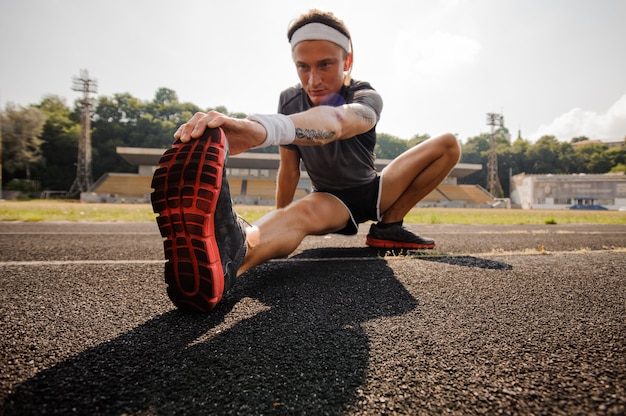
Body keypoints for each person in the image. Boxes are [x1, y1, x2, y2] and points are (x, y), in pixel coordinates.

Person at [151, 9, 461, 312]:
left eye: (325, 65)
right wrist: (275, 224)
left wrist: (262, 129)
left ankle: (390, 225)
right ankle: (226, 263)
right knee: (295, 214)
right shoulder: (289, 99)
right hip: (330, 200)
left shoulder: (365, 95)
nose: (313, 80)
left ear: (347, 61)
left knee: (447, 144)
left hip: (377, 190)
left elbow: (337, 122)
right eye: (303, 67)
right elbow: (288, 169)